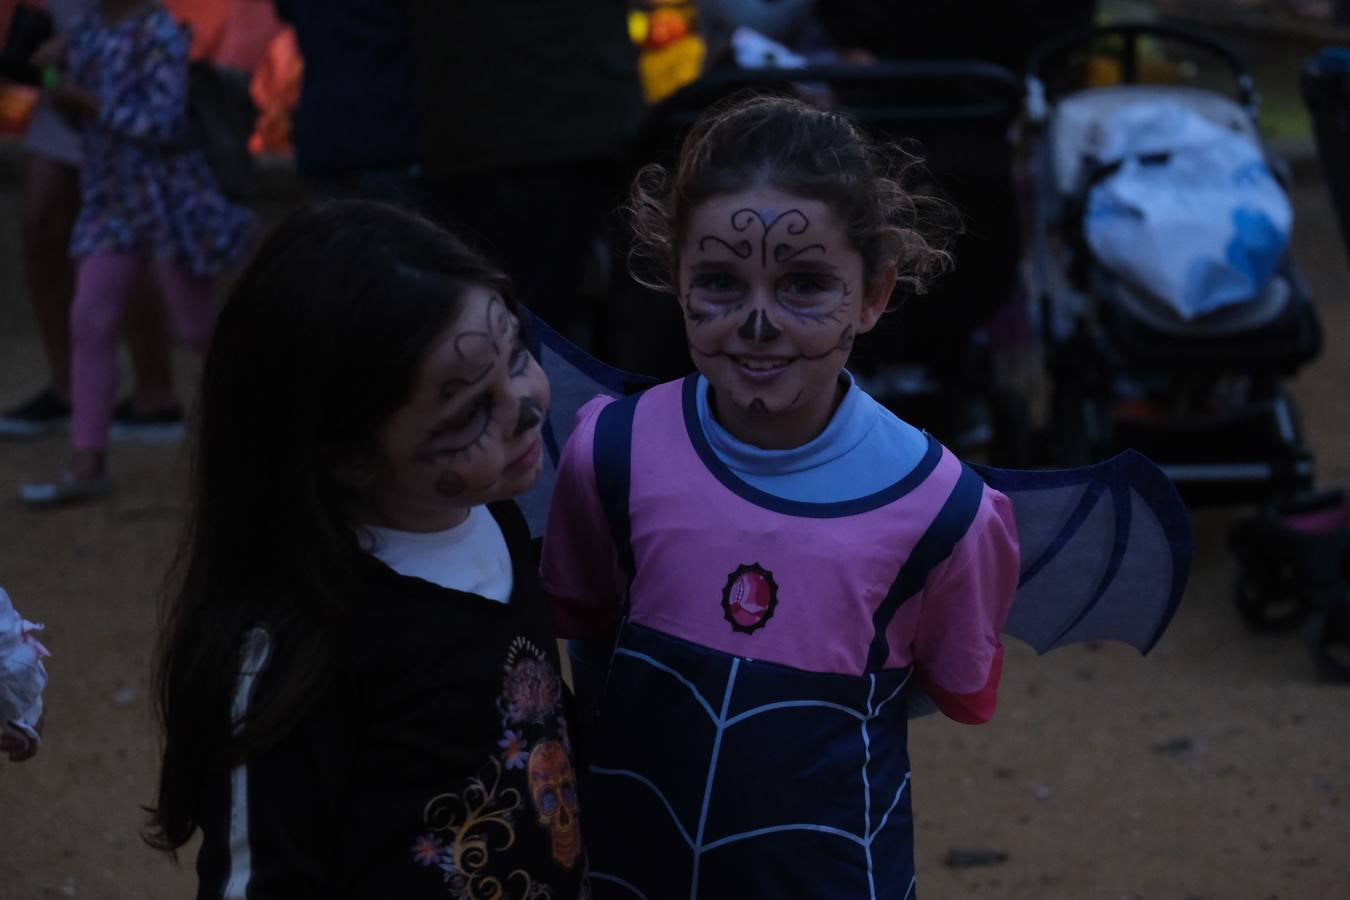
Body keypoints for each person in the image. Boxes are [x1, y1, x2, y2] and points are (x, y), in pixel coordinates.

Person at [541, 95, 1021, 897]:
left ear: (873, 295)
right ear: (676, 279)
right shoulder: (608, 453)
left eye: (804, 284)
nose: (759, 322)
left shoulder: (944, 509)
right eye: (722, 283)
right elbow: (584, 627)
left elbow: (946, 688)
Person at [145, 200, 587, 898]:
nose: (527, 406)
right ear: (345, 455)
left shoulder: (494, 520)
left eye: (518, 353)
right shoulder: (303, 647)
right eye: (469, 411)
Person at [17, 0, 254, 507]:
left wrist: (82, 96)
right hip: (112, 201)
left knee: (198, 329)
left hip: (168, 200)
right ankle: (86, 463)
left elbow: (161, 123)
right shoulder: (92, 35)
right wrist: (55, 73)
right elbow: (77, 114)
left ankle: (264, 441)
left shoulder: (161, 34)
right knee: (90, 319)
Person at [0, 0, 183, 442]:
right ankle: (70, 390)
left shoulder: (152, 32)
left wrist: (86, 39)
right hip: (61, 89)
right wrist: (42, 68)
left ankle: (156, 395)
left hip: (115, 93)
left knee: (128, 242)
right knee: (41, 227)